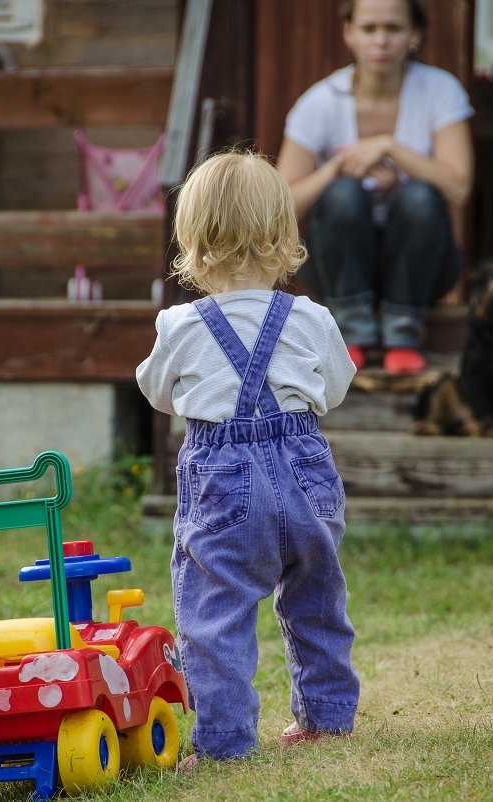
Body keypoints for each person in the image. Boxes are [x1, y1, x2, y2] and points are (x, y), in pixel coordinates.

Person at [136, 151, 359, 766]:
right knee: (317, 597)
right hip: (305, 470)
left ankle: (226, 742)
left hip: (222, 476)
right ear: (285, 236)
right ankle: (328, 719)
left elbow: (156, 393)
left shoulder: (180, 325)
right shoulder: (312, 318)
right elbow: (336, 388)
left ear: (192, 240)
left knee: (216, 610)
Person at [277, 0, 474, 373]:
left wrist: (390, 147)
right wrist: (338, 167)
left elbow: (459, 187)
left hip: (423, 267)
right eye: (369, 29)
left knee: (419, 195)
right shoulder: (319, 103)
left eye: (393, 29)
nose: (380, 41)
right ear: (348, 33)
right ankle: (352, 333)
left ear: (414, 35)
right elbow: (282, 205)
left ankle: (404, 330)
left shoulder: (440, 90)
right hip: (334, 268)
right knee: (342, 195)